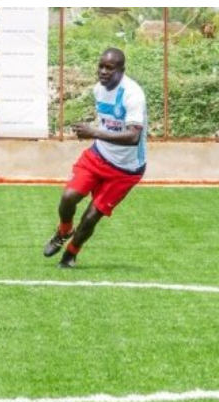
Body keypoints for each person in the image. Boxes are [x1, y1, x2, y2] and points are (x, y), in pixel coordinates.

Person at [42, 48, 147, 268]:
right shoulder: (98, 90)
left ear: (121, 70)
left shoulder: (132, 94)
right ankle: (63, 231)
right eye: (101, 66)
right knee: (68, 196)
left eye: (109, 68)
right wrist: (97, 135)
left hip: (126, 170)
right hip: (98, 155)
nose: (103, 72)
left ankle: (70, 255)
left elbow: (133, 137)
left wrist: (95, 132)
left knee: (91, 216)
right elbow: (107, 124)